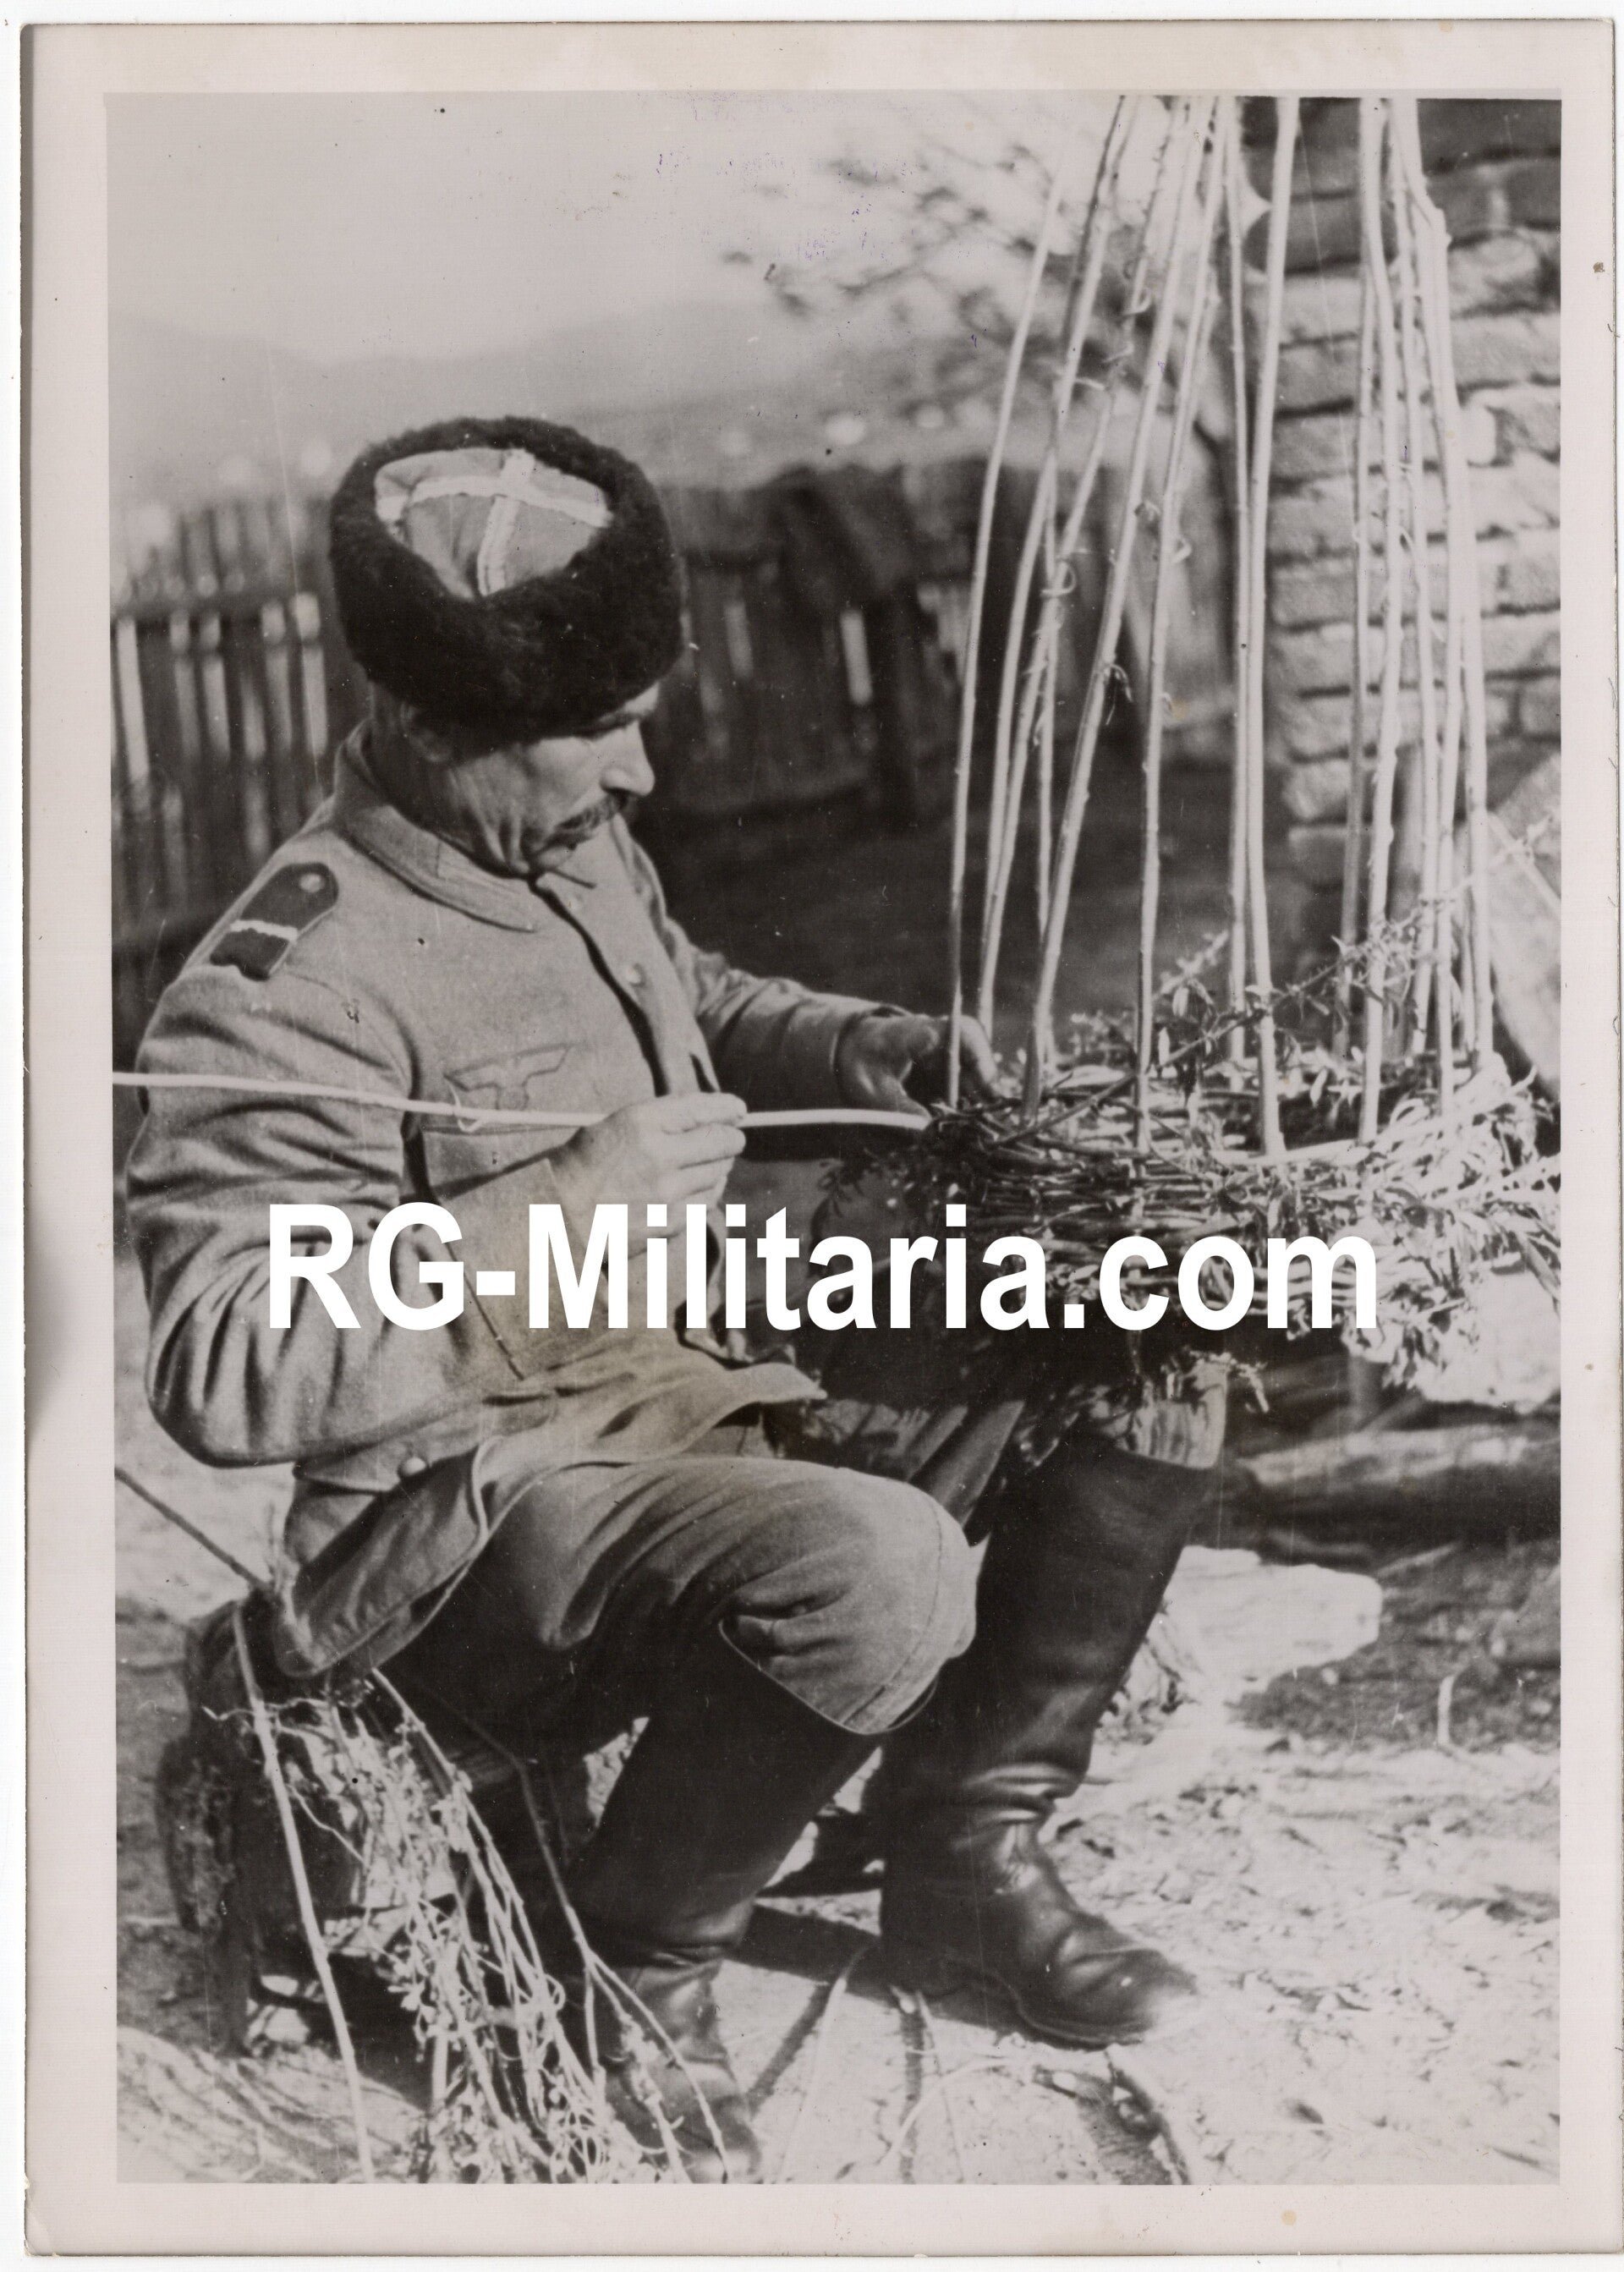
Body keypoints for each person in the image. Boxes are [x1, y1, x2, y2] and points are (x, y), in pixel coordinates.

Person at [128, 414, 1214, 2181]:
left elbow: (676, 987)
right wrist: (562, 1204)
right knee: (880, 1564)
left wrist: (861, 1042)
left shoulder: (545, 840)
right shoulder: (285, 978)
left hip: (685, 1406)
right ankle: (632, 1968)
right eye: (604, 728)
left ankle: (961, 1840)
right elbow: (221, 1356)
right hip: (474, 1524)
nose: (643, 768)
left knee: (1151, 1319)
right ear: (432, 724)